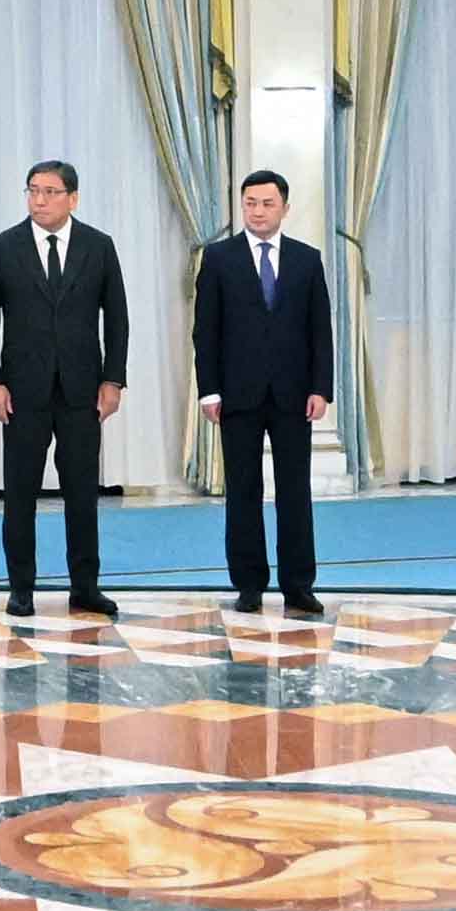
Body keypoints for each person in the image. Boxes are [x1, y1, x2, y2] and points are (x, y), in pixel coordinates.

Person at [0, 158, 135, 621]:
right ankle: (21, 587)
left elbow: (117, 318)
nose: (39, 200)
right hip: (22, 392)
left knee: (82, 494)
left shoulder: (98, 246)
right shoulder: (4, 247)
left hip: (82, 392)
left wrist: (113, 379)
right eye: (32, 191)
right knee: (20, 493)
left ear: (73, 198)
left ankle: (85, 587)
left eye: (49, 192)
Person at [191, 167, 337, 620]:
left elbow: (320, 330)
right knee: (243, 492)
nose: (257, 211)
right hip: (237, 395)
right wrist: (209, 391)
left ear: (285, 208)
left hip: (294, 395)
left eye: (267, 203)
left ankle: (299, 586)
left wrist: (321, 388)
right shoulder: (219, 258)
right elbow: (205, 331)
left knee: (295, 492)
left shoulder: (307, 260)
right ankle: (249, 584)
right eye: (250, 203)